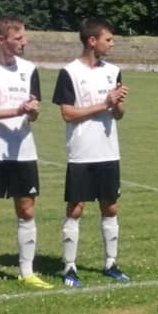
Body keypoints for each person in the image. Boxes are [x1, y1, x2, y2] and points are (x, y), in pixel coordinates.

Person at [0, 15, 55, 294]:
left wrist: (33, 111)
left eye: (24, 37)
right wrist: (16, 110)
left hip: (23, 151)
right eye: (18, 38)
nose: (24, 42)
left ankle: (27, 272)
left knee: (27, 211)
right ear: (1, 39)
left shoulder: (29, 69)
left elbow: (34, 113)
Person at [52, 18, 131, 287]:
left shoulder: (114, 71)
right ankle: (69, 268)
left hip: (109, 152)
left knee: (110, 207)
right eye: (108, 39)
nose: (112, 44)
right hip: (82, 153)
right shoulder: (69, 72)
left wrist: (117, 104)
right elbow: (67, 113)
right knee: (76, 209)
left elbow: (119, 115)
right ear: (92, 41)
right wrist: (104, 103)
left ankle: (111, 264)